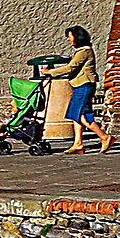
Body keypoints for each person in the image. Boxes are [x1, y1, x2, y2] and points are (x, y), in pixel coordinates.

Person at [43, 24, 114, 155]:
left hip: (84, 85)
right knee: (76, 115)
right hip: (80, 85)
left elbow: (71, 67)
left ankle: (104, 137)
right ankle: (78, 143)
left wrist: (50, 72)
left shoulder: (84, 51)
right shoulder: (82, 51)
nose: (69, 39)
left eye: (70, 36)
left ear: (77, 37)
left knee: (81, 115)